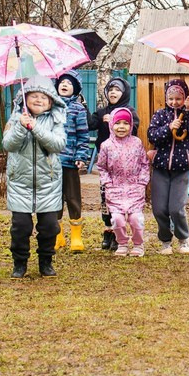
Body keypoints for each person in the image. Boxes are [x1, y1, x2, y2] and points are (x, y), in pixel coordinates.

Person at [2, 77, 67, 278]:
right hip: (20, 182)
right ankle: (19, 263)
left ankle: (46, 261)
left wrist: (36, 128)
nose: (39, 100)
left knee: (49, 227)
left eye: (43, 97)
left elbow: (58, 145)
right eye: (34, 96)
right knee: (20, 227)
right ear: (25, 98)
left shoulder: (56, 120)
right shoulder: (15, 119)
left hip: (48, 183)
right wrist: (22, 127)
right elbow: (8, 145)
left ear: (51, 101)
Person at [146, 78, 189, 254]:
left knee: (176, 208)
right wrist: (169, 127)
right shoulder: (160, 115)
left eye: (178, 98)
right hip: (161, 167)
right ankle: (165, 241)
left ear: (184, 98)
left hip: (181, 167)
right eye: (171, 99)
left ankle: (183, 238)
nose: (174, 102)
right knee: (159, 209)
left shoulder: (188, 114)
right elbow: (152, 135)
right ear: (166, 98)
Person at [88, 75, 136, 251]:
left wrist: (116, 122)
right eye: (110, 89)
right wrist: (84, 107)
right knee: (105, 197)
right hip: (105, 165)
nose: (113, 92)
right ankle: (108, 230)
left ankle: (119, 232)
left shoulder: (129, 112)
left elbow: (134, 131)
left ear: (124, 93)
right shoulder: (102, 112)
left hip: (123, 166)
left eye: (117, 90)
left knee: (120, 198)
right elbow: (89, 124)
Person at [97, 108, 150, 256]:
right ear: (111, 125)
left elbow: (144, 164)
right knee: (117, 219)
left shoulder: (136, 143)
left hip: (134, 189)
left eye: (125, 123)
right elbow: (101, 166)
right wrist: (108, 183)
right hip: (115, 189)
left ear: (131, 125)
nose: (121, 127)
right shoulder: (106, 145)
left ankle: (138, 245)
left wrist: (142, 182)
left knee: (136, 219)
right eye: (118, 123)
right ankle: (122, 243)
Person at [54, 71, 94, 254]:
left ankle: (76, 236)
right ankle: (58, 235)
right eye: (62, 82)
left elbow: (83, 135)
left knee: (73, 198)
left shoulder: (78, 109)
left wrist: (81, 156)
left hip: (70, 161)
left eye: (69, 83)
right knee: (54, 199)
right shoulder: (50, 106)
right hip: (51, 162)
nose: (64, 85)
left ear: (75, 89)